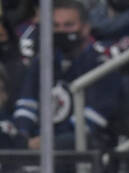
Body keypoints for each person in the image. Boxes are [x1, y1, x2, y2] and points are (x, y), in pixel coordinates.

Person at [12, 0, 122, 150]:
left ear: (85, 28)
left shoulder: (101, 63)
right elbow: (27, 103)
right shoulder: (43, 61)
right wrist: (23, 135)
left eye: (68, 25)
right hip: (39, 141)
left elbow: (91, 120)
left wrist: (47, 141)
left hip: (83, 145)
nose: (61, 31)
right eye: (56, 26)